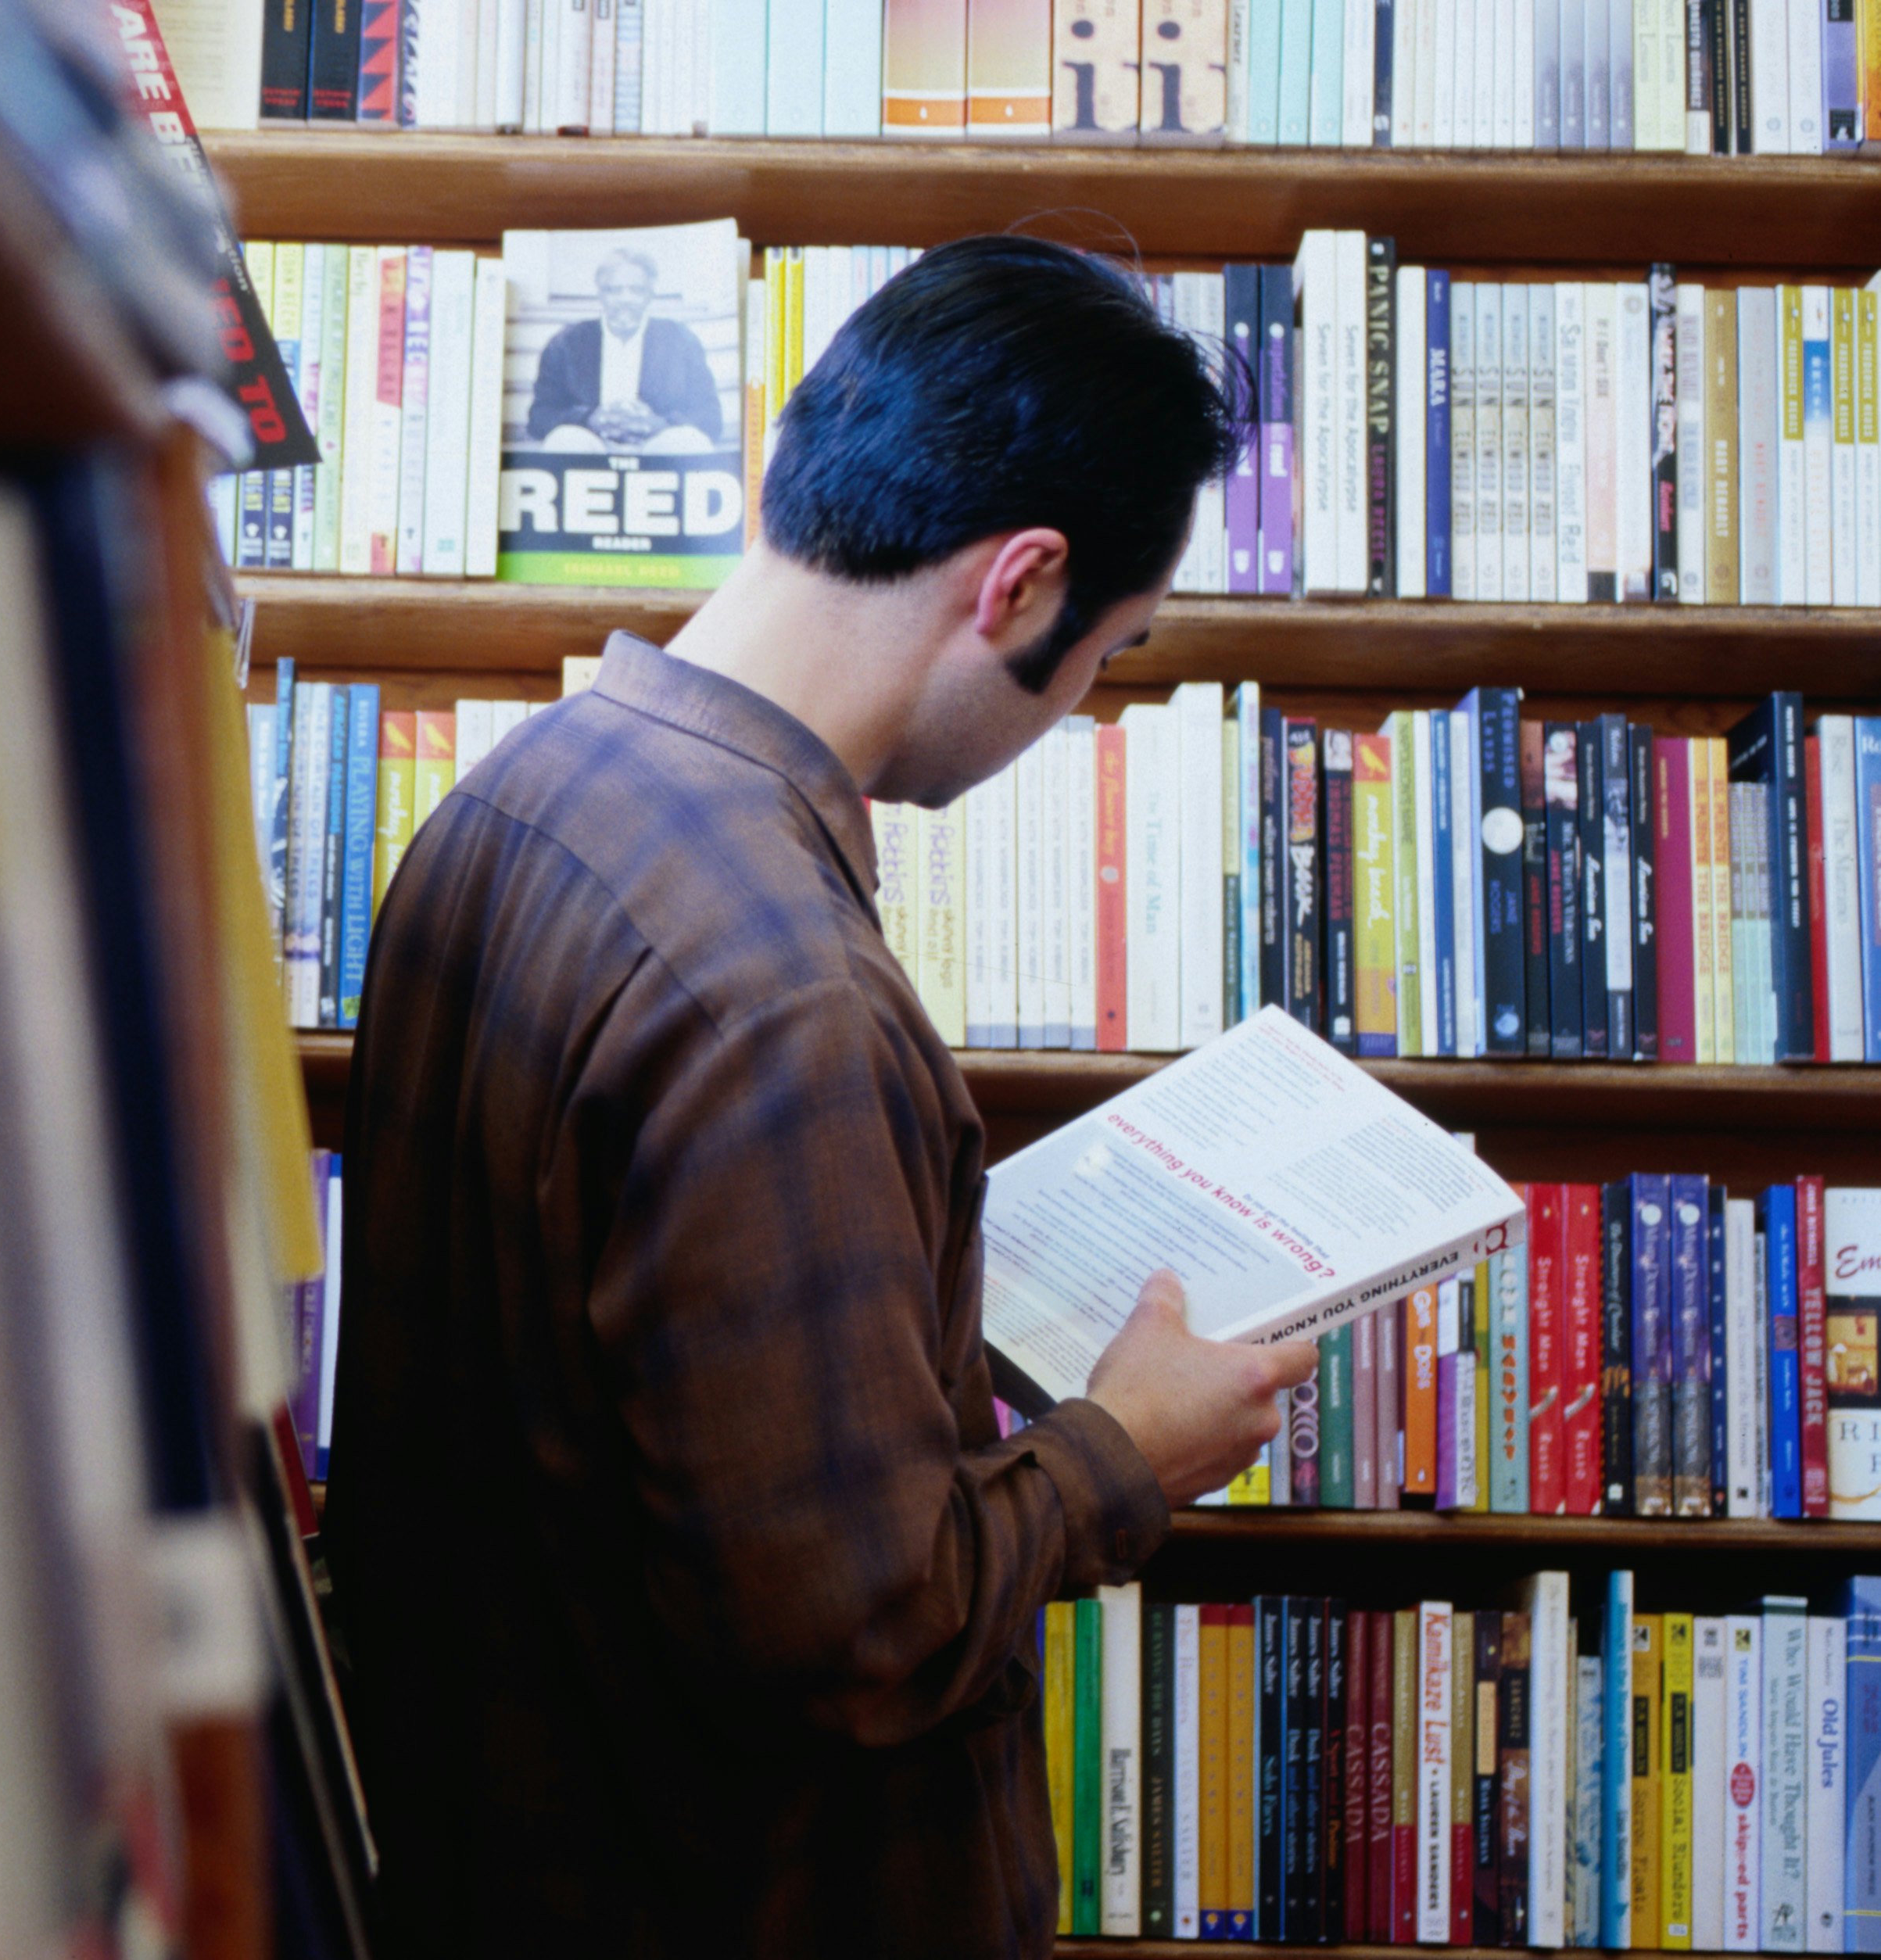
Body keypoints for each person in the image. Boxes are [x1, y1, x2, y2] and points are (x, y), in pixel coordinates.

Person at [322, 235, 1319, 1958]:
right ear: (1017, 586)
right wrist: (1123, 1450)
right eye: (1112, 649)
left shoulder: (508, 802)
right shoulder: (780, 994)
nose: (1085, 699)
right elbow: (859, 1631)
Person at [525, 245, 724, 453]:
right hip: (592, 445)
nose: (625, 300)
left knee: (689, 442)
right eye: (614, 290)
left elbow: (710, 417)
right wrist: (589, 419)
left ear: (651, 294)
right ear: (600, 294)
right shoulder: (567, 342)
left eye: (636, 290)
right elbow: (539, 416)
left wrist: (659, 423)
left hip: (657, 444)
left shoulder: (681, 340)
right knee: (564, 441)